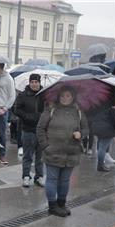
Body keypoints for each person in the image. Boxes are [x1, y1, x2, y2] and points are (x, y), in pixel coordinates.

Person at [37, 86, 88, 217]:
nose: (65, 98)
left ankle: (61, 203)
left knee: (65, 180)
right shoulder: (51, 109)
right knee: (52, 179)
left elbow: (86, 129)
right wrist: (45, 146)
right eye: (62, 96)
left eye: (68, 96)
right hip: (52, 152)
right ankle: (52, 206)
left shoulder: (78, 111)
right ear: (58, 97)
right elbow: (40, 129)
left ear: (73, 97)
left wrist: (80, 134)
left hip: (71, 153)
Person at [14, 74, 44, 187]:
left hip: (41, 131)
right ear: (29, 83)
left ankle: (39, 176)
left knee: (40, 156)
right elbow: (16, 109)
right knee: (28, 155)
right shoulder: (23, 95)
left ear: (39, 83)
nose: (34, 84)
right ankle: (26, 176)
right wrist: (28, 117)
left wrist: (41, 116)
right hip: (28, 130)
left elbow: (49, 109)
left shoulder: (44, 95)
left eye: (36, 82)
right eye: (32, 82)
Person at [92, 105, 115, 172]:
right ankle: (100, 165)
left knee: (101, 147)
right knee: (103, 148)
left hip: (99, 128)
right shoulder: (114, 109)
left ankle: (101, 164)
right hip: (108, 130)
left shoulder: (103, 105)